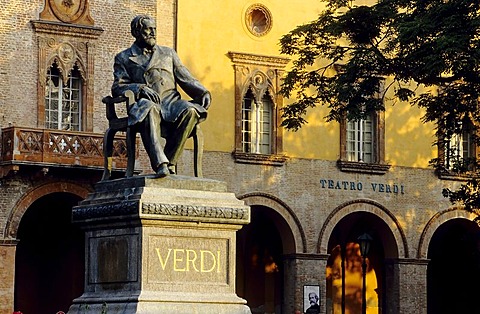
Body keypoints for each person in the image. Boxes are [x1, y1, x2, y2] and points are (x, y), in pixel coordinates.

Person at [111, 14, 211, 177]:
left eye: (154, 29)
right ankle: (161, 164)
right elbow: (117, 87)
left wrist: (203, 92)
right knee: (150, 110)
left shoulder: (168, 54)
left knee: (191, 110)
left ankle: (170, 161)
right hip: (146, 104)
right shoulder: (124, 57)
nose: (153, 33)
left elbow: (185, 77)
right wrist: (139, 88)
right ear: (136, 32)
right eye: (148, 30)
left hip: (171, 103)